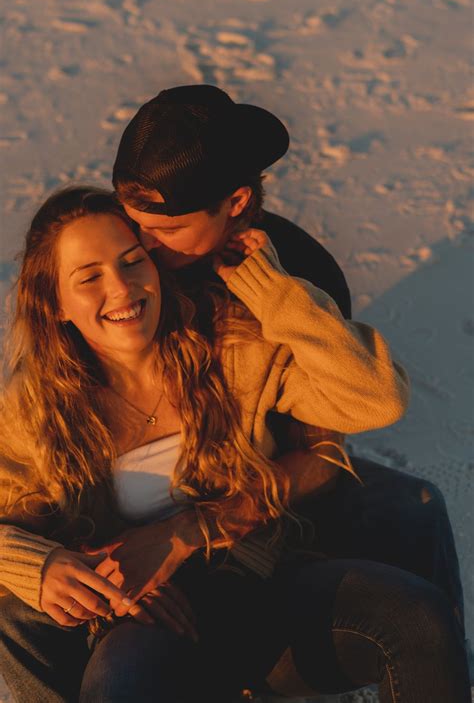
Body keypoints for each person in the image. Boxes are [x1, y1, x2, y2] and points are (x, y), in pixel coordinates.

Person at [0, 187, 470, 703]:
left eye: (133, 261)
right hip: (148, 623)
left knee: (418, 618)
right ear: (55, 304)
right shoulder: (36, 408)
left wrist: (267, 286)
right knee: (121, 682)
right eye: (89, 277)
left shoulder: (229, 348)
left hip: (258, 580)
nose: (121, 288)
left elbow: (376, 399)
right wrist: (44, 565)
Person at [110, 84, 466, 624]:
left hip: (263, 496)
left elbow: (324, 448)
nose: (144, 246)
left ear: (236, 202)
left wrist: (272, 294)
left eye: (169, 229)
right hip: (130, 499)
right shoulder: (116, 255)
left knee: (417, 509)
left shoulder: (305, 275)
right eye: (135, 222)